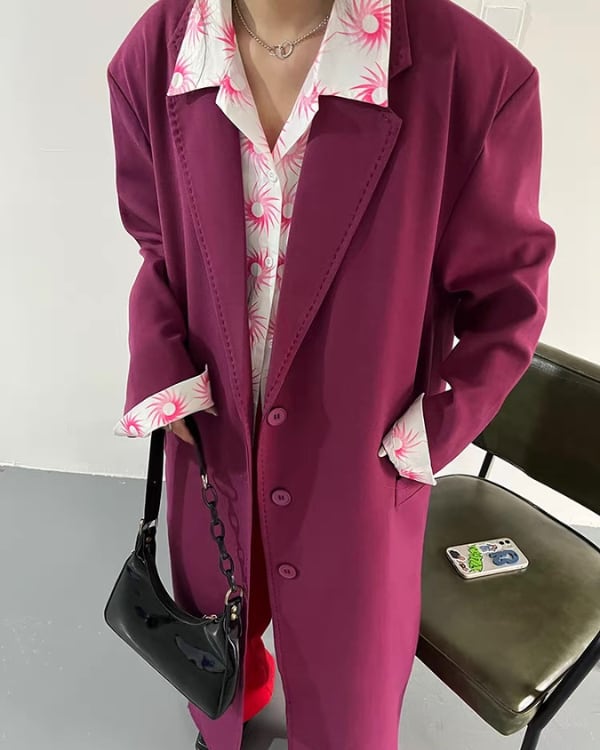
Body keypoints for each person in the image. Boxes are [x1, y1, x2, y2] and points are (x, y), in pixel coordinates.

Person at [106, 0, 556, 748]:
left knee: (349, 690)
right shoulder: (155, 56)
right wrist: (161, 366)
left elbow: (509, 303)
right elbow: (157, 242)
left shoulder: (475, 79)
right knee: (219, 637)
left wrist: (425, 437)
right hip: (214, 444)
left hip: (357, 470)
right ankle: (237, 702)